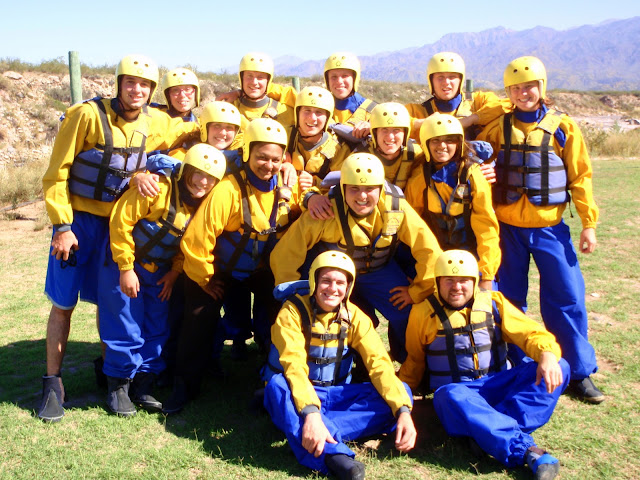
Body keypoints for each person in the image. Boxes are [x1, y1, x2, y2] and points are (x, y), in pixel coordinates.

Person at [38, 54, 197, 423]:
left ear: (152, 91)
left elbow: (194, 132)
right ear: (119, 84)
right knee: (63, 303)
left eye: (144, 85)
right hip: (78, 223)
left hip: (113, 224)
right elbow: (56, 172)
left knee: (109, 303)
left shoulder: (153, 121)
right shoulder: (86, 115)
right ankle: (52, 383)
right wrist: (62, 226)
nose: (137, 90)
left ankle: (113, 377)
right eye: (130, 82)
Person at [477, 56, 604, 403]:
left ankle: (578, 371)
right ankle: (518, 367)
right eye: (516, 88)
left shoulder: (563, 127)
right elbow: (476, 158)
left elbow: (580, 176)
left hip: (550, 228)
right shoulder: (497, 127)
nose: (523, 93)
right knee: (509, 301)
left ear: (542, 87)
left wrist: (589, 224)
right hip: (506, 231)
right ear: (508, 92)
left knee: (566, 297)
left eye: (530, 86)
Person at [163, 118, 301, 414]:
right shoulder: (228, 189)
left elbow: (302, 213)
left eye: (275, 159)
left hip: (260, 270)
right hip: (219, 269)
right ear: (247, 153)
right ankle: (184, 384)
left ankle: (275, 378)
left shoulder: (287, 185)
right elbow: (198, 238)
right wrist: (204, 279)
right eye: (261, 157)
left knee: (283, 313)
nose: (268, 165)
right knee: (198, 316)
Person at [399, 250, 570, 480]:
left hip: (498, 385)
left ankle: (483, 430)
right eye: (449, 280)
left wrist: (547, 354)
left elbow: (530, 334)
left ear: (474, 282)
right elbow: (414, 361)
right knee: (447, 395)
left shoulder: (494, 303)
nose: (457, 287)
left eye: (464, 281)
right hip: (460, 394)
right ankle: (526, 451)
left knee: (560, 365)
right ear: (438, 282)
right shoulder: (422, 313)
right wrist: (398, 402)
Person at [270, 152, 442, 361]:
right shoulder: (326, 210)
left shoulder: (396, 208)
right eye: (354, 189)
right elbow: (285, 254)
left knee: (407, 312)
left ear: (380, 189)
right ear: (343, 188)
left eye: (370, 189)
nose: (362, 196)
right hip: (335, 277)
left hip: (378, 270)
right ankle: (326, 362)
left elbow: (428, 249)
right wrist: (293, 295)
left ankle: (408, 362)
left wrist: (417, 291)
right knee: (319, 316)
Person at [98, 144, 225, 416]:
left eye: (210, 178)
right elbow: (120, 222)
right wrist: (126, 268)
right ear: (186, 171)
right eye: (198, 174)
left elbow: (187, 244)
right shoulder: (157, 189)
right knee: (125, 323)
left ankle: (143, 383)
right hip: (124, 263)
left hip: (159, 271)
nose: (203, 182)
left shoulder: (202, 206)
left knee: (157, 326)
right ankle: (118, 386)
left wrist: (175, 272)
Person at [264, 251, 416, 479]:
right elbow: (293, 365)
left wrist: (402, 411)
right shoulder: (291, 312)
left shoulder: (355, 317)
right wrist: (311, 413)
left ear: (349, 287)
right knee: (277, 386)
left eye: (340, 283)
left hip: (336, 395)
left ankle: (308, 430)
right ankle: (334, 456)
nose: (333, 289)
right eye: (326, 281)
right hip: (299, 392)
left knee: (401, 392)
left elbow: (379, 364)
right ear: (314, 281)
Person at [405, 113, 500, 290]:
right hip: (436, 258)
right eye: (435, 140)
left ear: (459, 143)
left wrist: (487, 275)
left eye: (449, 140)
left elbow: (486, 227)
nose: (442, 146)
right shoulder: (420, 178)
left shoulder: (473, 175)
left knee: (485, 302)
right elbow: (411, 225)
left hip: (472, 258)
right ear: (426, 143)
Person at [405, 51, 506, 142]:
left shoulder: (479, 101)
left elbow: (506, 105)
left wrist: (472, 119)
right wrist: (422, 123)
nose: (446, 82)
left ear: (460, 80)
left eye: (452, 77)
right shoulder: (417, 111)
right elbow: (398, 121)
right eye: (440, 77)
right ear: (431, 81)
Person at [287, 86, 344, 190]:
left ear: (327, 117)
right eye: (307, 110)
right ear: (297, 113)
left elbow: (343, 186)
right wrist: (284, 165)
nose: (312, 118)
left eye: (319, 112)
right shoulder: (284, 135)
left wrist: (316, 183)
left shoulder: (338, 148)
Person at [232, 52, 295, 131]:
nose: (254, 82)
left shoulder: (285, 112)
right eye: (249, 76)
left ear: (268, 81)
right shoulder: (229, 109)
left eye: (260, 77)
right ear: (242, 78)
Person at [323, 52, 377, 141]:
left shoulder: (374, 111)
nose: (339, 81)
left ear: (354, 79)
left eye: (345, 76)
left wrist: (374, 128)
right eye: (334, 77)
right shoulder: (319, 109)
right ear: (327, 80)